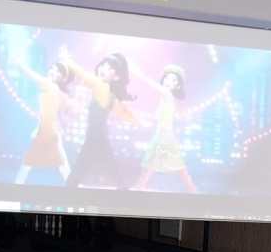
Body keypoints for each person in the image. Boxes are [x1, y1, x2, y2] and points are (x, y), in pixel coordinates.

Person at [61, 49, 136, 189]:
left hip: (95, 134)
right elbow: (123, 112)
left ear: (116, 77)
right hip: (98, 134)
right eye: (104, 65)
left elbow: (82, 74)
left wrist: (67, 60)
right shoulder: (106, 90)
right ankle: (122, 188)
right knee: (106, 162)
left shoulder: (101, 86)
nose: (103, 69)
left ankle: (70, 186)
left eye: (110, 68)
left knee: (85, 163)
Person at [132, 64, 198, 193]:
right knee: (164, 163)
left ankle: (139, 186)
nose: (168, 81)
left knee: (158, 162)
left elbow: (150, 83)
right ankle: (192, 189)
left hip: (164, 134)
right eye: (167, 78)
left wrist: (138, 73)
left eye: (173, 80)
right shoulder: (165, 98)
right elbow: (158, 117)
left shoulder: (167, 94)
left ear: (177, 86)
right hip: (163, 133)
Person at [14, 61, 74, 184]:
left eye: (58, 71)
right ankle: (73, 187)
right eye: (52, 68)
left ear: (62, 77)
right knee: (61, 165)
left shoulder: (48, 84)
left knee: (28, 164)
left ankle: (16, 186)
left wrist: (19, 64)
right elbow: (59, 114)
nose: (53, 71)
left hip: (49, 131)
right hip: (47, 130)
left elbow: (31, 74)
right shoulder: (58, 91)